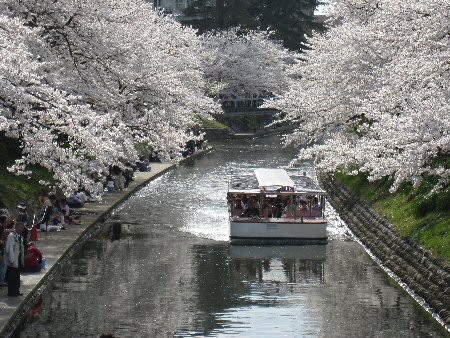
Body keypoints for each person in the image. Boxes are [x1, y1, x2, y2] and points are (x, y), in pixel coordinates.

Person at [5, 222, 25, 296]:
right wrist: (11, 259)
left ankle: (16, 290)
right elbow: (10, 248)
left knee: (17, 276)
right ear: (16, 227)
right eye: (19, 227)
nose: (21, 229)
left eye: (22, 228)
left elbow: (21, 249)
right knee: (12, 276)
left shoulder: (20, 236)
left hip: (18, 258)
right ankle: (11, 292)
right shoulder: (12, 236)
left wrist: (22, 260)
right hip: (13, 259)